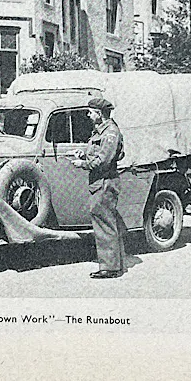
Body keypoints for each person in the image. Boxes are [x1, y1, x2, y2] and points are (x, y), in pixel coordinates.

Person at [72, 96, 129, 279]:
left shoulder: (110, 132)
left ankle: (110, 268)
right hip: (99, 181)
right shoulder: (100, 131)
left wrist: (83, 164)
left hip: (105, 181)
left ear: (100, 114)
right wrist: (84, 153)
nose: (88, 115)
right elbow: (96, 152)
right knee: (106, 222)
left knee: (104, 223)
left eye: (91, 112)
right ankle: (115, 264)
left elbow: (104, 160)